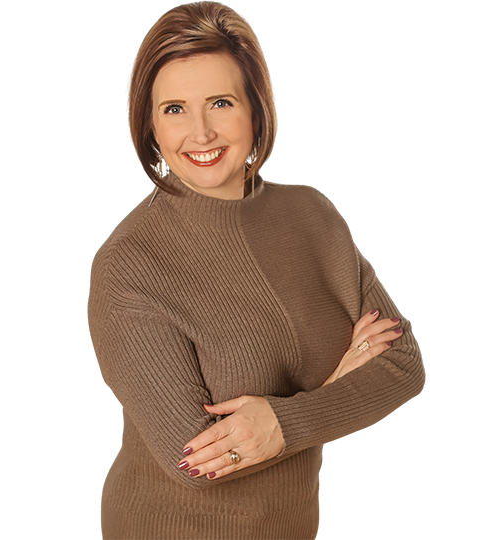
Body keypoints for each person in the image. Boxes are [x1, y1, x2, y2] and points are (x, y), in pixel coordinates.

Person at [87, 2, 426, 539]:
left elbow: (404, 364)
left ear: (256, 110)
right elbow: (193, 460)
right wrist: (336, 390)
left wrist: (285, 420)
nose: (200, 133)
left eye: (220, 103)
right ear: (150, 126)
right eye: (174, 109)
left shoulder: (311, 217)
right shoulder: (130, 264)